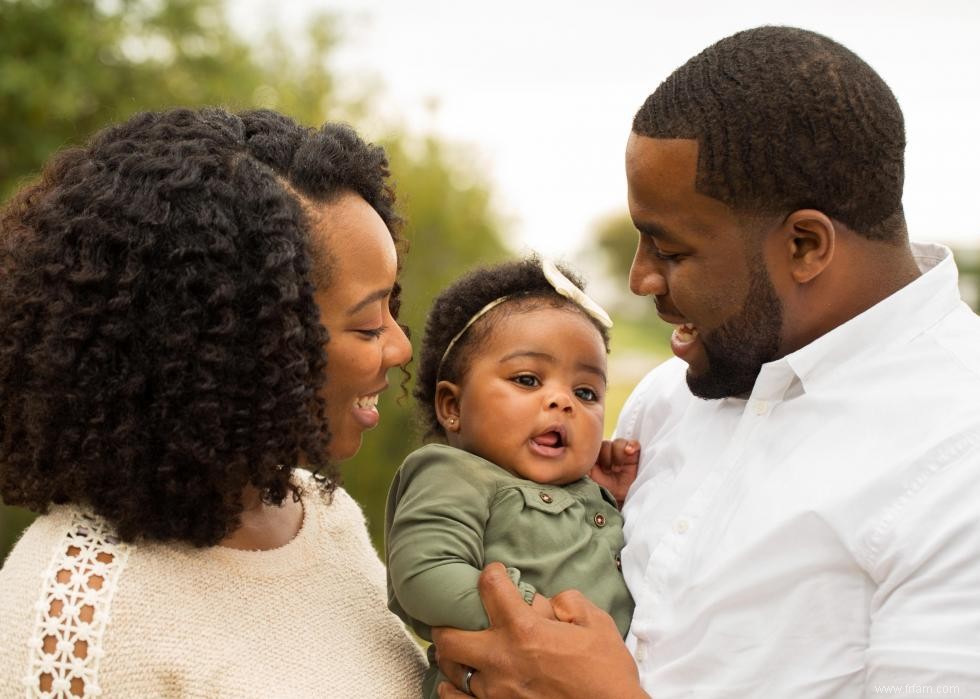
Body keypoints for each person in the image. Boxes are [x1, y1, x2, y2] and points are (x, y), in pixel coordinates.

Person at [432, 25, 980, 698]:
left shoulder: (961, 457)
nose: (639, 279)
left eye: (670, 249)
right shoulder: (668, 399)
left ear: (805, 244)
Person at [0, 107, 426, 697]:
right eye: (368, 324)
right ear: (240, 343)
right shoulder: (76, 617)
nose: (402, 347)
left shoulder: (324, 521)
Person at [385, 257, 635, 697]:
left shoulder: (583, 493)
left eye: (585, 392)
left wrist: (610, 501)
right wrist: (536, 619)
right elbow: (424, 574)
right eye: (527, 379)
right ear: (452, 407)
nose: (562, 401)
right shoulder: (452, 474)